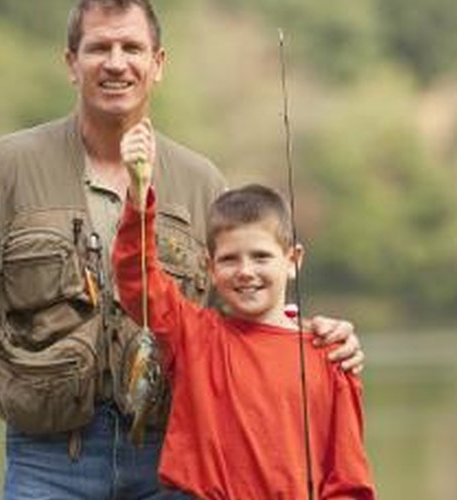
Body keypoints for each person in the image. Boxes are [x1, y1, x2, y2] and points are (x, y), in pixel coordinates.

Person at [0, 0, 365, 498]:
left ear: (157, 64)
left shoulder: (202, 181)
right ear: (70, 63)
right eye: (99, 48)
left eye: (132, 48)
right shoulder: (6, 166)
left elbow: (240, 319)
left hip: (171, 457)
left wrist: (315, 340)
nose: (116, 62)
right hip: (46, 458)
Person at [115, 121, 375, 499]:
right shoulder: (194, 335)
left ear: (293, 260)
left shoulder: (330, 355)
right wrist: (139, 196)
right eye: (230, 259)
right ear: (209, 267)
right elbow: (136, 279)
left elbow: (350, 480)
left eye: (261, 257)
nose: (246, 271)